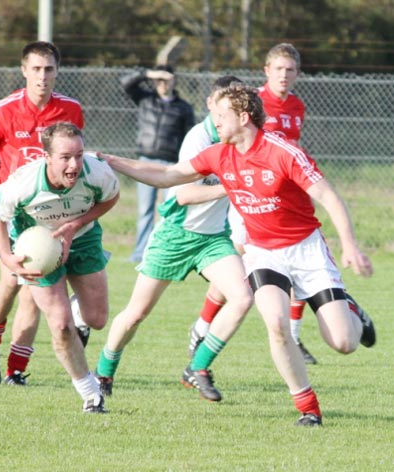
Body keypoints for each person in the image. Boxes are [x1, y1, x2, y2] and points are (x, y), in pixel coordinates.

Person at [97, 83, 376, 426]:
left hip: (306, 251)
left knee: (344, 343)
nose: (214, 121)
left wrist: (349, 246)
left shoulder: (282, 151)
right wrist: (113, 162)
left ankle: (349, 309)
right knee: (276, 323)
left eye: (220, 116)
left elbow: (329, 196)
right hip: (263, 252)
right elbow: (169, 176)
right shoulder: (219, 153)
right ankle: (308, 409)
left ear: (244, 117)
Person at [94, 76, 254, 403]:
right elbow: (182, 193)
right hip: (176, 237)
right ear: (212, 103)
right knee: (136, 313)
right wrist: (231, 186)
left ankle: (198, 368)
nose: (223, 116)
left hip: (212, 239)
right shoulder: (200, 138)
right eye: (221, 107)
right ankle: (104, 370)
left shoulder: (243, 141)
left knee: (242, 297)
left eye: (232, 109)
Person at [0, 41, 89, 386]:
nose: (42, 76)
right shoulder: (3, 111)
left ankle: (15, 370)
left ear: (57, 72)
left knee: (35, 290)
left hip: (47, 213)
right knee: (10, 279)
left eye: (49, 69)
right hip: (8, 212)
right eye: (35, 69)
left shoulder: (71, 109)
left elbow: (74, 157)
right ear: (24, 71)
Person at [190, 43, 318, 364]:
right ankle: (203, 326)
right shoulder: (253, 102)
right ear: (266, 71)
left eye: (290, 70)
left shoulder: (297, 107)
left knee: (292, 263)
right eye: (279, 69)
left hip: (281, 198)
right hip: (250, 195)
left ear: (298, 74)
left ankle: (295, 336)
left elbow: (291, 154)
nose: (284, 76)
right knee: (238, 261)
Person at [0, 122, 119, 413]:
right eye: (65, 157)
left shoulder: (97, 173)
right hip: (37, 248)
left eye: (79, 155)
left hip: (82, 239)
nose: (74, 164)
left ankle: (76, 312)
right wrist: (7, 257)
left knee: (96, 319)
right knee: (60, 324)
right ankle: (91, 395)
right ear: (46, 157)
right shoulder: (24, 184)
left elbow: (111, 198)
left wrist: (75, 225)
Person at [121, 64, 196, 262]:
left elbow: (190, 137)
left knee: (169, 210)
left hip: (171, 164)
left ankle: (164, 252)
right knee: (145, 210)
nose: (163, 83)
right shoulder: (146, 99)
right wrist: (148, 73)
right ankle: (139, 253)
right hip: (146, 161)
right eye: (159, 79)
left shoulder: (183, 107)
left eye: (167, 78)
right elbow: (126, 83)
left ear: (174, 79)